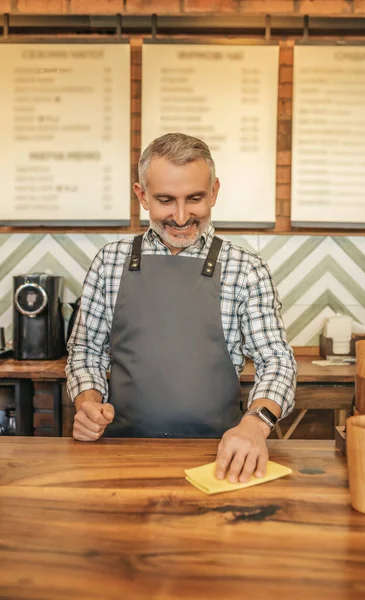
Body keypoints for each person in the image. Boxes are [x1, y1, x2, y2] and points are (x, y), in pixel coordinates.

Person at [66, 132, 297, 484]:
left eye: (195, 198)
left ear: (214, 192)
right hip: (121, 456)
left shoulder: (245, 268)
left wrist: (254, 425)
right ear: (142, 196)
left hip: (219, 458)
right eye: (165, 200)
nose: (180, 215)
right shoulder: (109, 262)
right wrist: (87, 403)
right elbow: (85, 350)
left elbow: (277, 360)